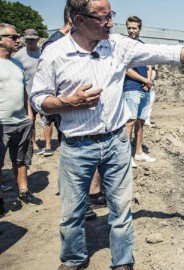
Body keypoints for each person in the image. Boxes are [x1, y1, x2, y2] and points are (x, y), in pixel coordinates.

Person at [29, 0, 184, 269]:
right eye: (102, 18)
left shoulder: (117, 45)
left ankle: (123, 262)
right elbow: (39, 98)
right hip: (76, 147)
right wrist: (69, 102)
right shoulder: (55, 53)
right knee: (71, 214)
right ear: (79, 19)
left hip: (116, 143)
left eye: (110, 16)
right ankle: (73, 260)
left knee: (121, 209)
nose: (109, 23)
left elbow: (162, 52)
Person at [42, 3, 99, 222]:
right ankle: (78, 204)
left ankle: (84, 198)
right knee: (73, 160)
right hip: (65, 109)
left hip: (74, 107)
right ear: (74, 17)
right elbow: (47, 83)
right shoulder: (56, 42)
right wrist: (66, 102)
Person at [0, 23, 43, 210]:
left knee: (22, 159)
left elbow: (24, 93)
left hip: (21, 121)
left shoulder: (17, 64)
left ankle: (23, 191)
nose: (18, 40)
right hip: (2, 124)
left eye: (18, 37)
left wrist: (29, 116)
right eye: (13, 37)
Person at [123, 16, 155, 167]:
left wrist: (148, 82)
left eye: (134, 28)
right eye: (129, 28)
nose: (131, 31)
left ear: (139, 29)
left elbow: (149, 65)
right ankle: (126, 156)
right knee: (130, 122)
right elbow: (126, 69)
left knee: (141, 122)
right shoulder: (125, 46)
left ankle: (139, 152)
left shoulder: (142, 46)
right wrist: (144, 81)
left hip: (145, 89)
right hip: (132, 88)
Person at [11, 28, 46, 155]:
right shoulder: (18, 56)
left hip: (43, 93)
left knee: (47, 120)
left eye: (32, 39)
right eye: (27, 40)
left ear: (37, 39)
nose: (30, 42)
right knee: (30, 120)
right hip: (27, 94)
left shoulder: (43, 52)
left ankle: (48, 144)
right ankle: (33, 143)